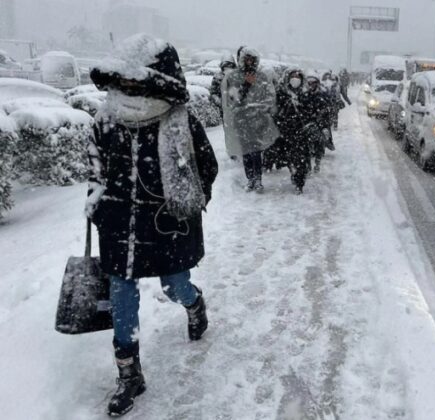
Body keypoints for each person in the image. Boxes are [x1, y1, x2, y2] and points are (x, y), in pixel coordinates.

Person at [87, 34, 219, 417]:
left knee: (174, 285)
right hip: (118, 225)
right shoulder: (106, 119)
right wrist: (97, 204)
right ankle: (129, 374)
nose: (126, 88)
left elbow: (205, 169)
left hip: (165, 225)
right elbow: (95, 171)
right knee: (122, 295)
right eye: (122, 81)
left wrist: (186, 205)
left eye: (134, 81)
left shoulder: (179, 120)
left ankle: (194, 304)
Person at [222, 46, 279, 192]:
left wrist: (261, 108)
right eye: (246, 59)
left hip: (258, 120)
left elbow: (270, 97)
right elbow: (233, 99)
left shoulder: (262, 76)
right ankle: (250, 179)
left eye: (252, 59)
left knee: (256, 151)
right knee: (246, 151)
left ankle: (258, 180)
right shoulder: (233, 77)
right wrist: (246, 85)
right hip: (241, 120)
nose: (249, 62)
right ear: (241, 60)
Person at [274, 67, 311, 194]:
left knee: (301, 158)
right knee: (288, 158)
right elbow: (276, 111)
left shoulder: (305, 94)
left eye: (298, 77)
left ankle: (299, 182)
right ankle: (293, 172)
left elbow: (310, 112)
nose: (295, 79)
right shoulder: (281, 93)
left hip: (301, 132)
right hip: (285, 131)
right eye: (293, 77)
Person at [303, 72, 333, 171]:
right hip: (307, 122)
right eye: (309, 82)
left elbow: (328, 108)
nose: (311, 84)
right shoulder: (304, 94)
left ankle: (318, 162)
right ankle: (307, 165)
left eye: (313, 82)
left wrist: (323, 116)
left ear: (317, 83)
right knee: (304, 145)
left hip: (320, 122)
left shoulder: (323, 94)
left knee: (320, 143)